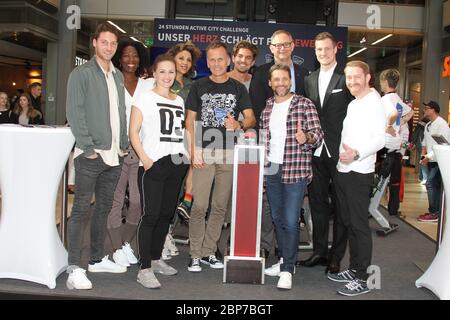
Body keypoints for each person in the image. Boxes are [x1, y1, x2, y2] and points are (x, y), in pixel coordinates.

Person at [65, 23, 128, 290]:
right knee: (80, 211)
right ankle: (74, 268)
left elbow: (120, 112)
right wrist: (88, 148)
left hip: (114, 155)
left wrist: (123, 144)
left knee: (103, 209)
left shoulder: (117, 76)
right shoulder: (81, 73)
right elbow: (74, 112)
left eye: (113, 43)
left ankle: (96, 257)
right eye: (105, 42)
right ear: (94, 43)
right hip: (91, 155)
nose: (109, 47)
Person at [185, 41, 256, 272]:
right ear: (207, 62)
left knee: (219, 206)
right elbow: (189, 122)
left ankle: (208, 251)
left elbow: (251, 119)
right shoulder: (198, 86)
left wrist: (239, 123)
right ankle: (195, 253)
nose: (216, 63)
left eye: (220, 59)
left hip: (228, 152)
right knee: (199, 205)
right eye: (212, 59)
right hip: (203, 151)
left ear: (228, 61)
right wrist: (193, 151)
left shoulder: (238, 88)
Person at [129, 54, 189, 289]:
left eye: (171, 72)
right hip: (153, 163)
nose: (167, 76)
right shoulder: (144, 98)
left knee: (166, 215)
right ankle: (144, 269)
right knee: (150, 215)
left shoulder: (179, 100)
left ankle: (155, 259)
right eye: (162, 71)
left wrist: (186, 155)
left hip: (176, 163)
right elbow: (133, 131)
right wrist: (145, 159)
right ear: (154, 73)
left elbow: (179, 131)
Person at [261, 63, 323, 290]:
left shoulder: (304, 104)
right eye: (275, 79)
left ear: (290, 81)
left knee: (290, 220)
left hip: (295, 169)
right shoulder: (267, 107)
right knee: (277, 219)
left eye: (284, 79)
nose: (280, 83)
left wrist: (305, 137)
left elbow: (318, 135)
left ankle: (287, 268)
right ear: (270, 83)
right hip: (272, 170)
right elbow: (264, 140)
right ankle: (284, 260)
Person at [327, 60, 385, 296]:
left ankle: (363, 278)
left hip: (360, 172)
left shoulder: (374, 102)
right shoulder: (355, 102)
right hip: (345, 170)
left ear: (368, 77)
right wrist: (343, 161)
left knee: (360, 226)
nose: (352, 82)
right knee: (349, 222)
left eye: (356, 77)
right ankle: (354, 268)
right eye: (348, 78)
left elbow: (380, 139)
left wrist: (357, 153)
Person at [250, 30, 309, 260]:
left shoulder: (305, 76)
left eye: (286, 44)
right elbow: (258, 114)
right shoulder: (262, 79)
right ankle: (272, 248)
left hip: (296, 161)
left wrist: (309, 140)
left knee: (291, 216)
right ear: (271, 48)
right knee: (273, 211)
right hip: (272, 159)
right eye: (277, 45)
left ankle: (288, 261)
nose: (282, 48)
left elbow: (313, 125)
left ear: (293, 46)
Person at [299, 32, 353, 273]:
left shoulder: (346, 80)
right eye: (319, 49)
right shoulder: (309, 79)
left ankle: (336, 256)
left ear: (335, 50)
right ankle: (319, 251)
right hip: (315, 151)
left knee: (342, 206)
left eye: (327, 49)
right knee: (318, 204)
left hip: (341, 151)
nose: (323, 53)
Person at [106, 39, 154, 268]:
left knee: (136, 202)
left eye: (135, 55)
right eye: (126, 55)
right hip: (115, 151)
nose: (130, 60)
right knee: (115, 202)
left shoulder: (147, 84)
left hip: (139, 151)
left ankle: (124, 243)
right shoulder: (111, 80)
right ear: (119, 58)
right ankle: (117, 248)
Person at [164, 41, 201, 259]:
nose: (185, 63)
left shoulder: (192, 86)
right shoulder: (162, 82)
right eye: (181, 59)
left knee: (178, 190)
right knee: (166, 192)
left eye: (188, 60)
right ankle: (163, 236)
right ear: (173, 59)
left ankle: (169, 230)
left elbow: (192, 118)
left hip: (185, 141)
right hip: (164, 143)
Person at [379, 68, 413, 217]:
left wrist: (388, 126)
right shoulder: (397, 98)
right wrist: (400, 124)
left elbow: (393, 114)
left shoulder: (385, 99)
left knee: (379, 180)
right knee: (394, 181)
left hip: (385, 145)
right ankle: (393, 210)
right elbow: (410, 112)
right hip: (395, 146)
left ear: (385, 82)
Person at [417, 101, 450, 223]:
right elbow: (425, 142)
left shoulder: (442, 125)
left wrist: (428, 156)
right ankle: (435, 211)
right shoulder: (428, 125)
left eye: (427, 108)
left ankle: (434, 212)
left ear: (433, 110)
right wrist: (423, 156)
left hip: (439, 160)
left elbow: (443, 144)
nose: (424, 110)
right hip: (430, 160)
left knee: (430, 184)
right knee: (434, 185)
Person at [411, 116, 429, 184]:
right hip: (427, 145)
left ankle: (422, 177)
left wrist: (413, 143)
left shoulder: (419, 125)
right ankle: (423, 177)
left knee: (421, 160)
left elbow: (415, 134)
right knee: (424, 161)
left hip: (420, 144)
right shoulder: (429, 125)